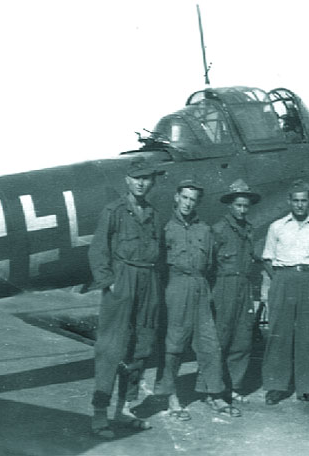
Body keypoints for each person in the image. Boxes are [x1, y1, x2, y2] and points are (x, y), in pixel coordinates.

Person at [88, 156, 164, 438]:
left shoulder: (154, 213)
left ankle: (124, 407)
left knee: (141, 347)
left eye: (147, 179)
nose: (142, 183)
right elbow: (98, 250)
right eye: (137, 178)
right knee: (111, 347)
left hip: (148, 281)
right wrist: (109, 283)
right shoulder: (115, 210)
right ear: (127, 181)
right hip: (123, 280)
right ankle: (99, 413)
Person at [156, 179, 240, 420]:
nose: (188, 203)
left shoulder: (204, 229)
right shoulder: (166, 228)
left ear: (197, 202)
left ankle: (214, 394)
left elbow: (211, 264)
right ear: (176, 197)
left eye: (193, 200)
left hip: (200, 287)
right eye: (185, 198)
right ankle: (171, 397)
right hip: (176, 286)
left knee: (210, 344)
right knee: (174, 345)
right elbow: (160, 264)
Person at [261, 179, 309, 407]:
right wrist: (281, 278)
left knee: (308, 335)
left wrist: (307, 277)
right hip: (282, 278)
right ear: (289, 202)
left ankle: (308, 388)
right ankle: (276, 386)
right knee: (279, 332)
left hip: (307, 279)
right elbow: (268, 258)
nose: (300, 205)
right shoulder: (277, 227)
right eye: (296, 201)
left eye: (304, 201)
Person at [211, 179, 261, 403]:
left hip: (244, 287)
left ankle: (234, 386)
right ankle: (214, 389)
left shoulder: (248, 229)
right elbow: (208, 264)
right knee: (221, 339)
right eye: (238, 205)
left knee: (242, 339)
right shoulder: (219, 230)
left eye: (245, 206)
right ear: (230, 205)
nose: (242, 210)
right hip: (224, 287)